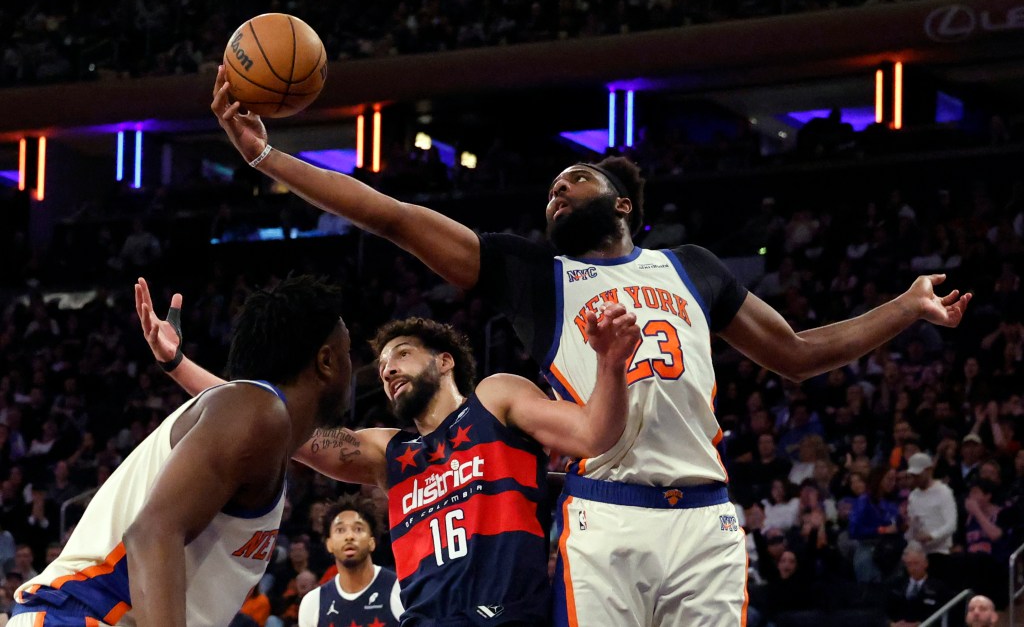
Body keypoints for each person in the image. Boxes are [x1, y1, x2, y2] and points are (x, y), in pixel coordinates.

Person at [210, 65, 972, 626]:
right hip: (605, 513)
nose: (557, 191)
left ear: (623, 202)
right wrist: (270, 159)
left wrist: (905, 306)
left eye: (574, 179)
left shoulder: (692, 266)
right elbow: (395, 217)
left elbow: (799, 352)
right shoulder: (537, 277)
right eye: (551, 190)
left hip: (705, 514)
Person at [137, 276, 639, 626]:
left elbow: (593, 435)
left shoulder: (495, 398)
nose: (389, 369)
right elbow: (276, 423)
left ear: (445, 362)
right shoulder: (389, 451)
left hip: (508, 617)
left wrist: (610, 365)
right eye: (381, 366)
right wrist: (178, 364)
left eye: (402, 354)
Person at [8, 276, 353, 627]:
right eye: (350, 352)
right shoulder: (257, 413)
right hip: (80, 615)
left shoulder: (255, 424)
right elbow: (151, 534)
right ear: (326, 361)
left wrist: (177, 363)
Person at [298, 497, 402, 627]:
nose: (349, 537)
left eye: (358, 529)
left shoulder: (400, 590)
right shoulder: (313, 603)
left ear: (372, 542)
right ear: (329, 544)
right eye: (340, 530)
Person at [885, 543, 950, 627]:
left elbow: (942, 614)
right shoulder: (896, 584)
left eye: (916, 563)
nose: (913, 568)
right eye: (909, 564)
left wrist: (919, 624)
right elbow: (884, 610)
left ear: (926, 563)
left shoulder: (938, 587)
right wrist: (891, 624)